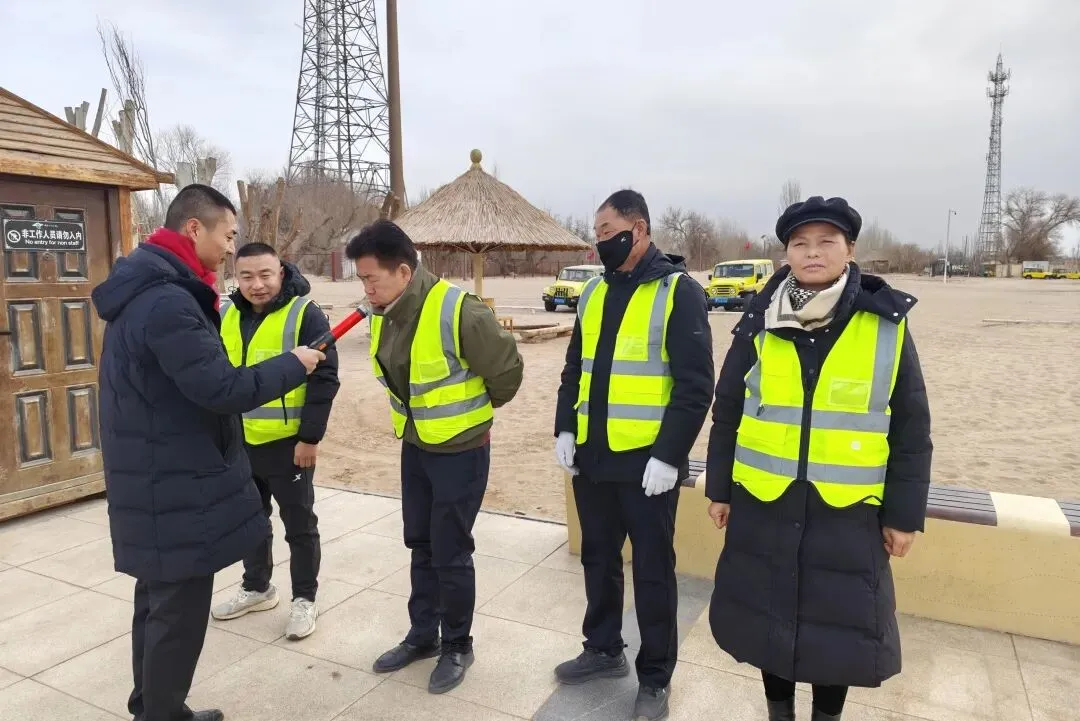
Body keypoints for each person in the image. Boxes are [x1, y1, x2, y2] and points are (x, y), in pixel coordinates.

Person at [92, 184, 325, 721]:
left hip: (156, 472)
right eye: (228, 235)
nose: (230, 248)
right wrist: (294, 364)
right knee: (177, 614)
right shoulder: (168, 302)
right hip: (171, 480)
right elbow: (221, 388)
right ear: (195, 229)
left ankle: (154, 708)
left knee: (157, 604)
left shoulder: (149, 292)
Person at [705, 196, 933, 721]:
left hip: (846, 513)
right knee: (769, 623)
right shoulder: (759, 320)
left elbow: (912, 427)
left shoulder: (885, 323)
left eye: (826, 242)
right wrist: (720, 489)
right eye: (800, 243)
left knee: (838, 633)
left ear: (849, 250)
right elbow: (728, 408)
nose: (812, 253)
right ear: (786, 254)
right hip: (763, 502)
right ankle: (779, 714)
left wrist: (902, 516)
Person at [552, 189, 714, 721]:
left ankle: (656, 676)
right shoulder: (594, 291)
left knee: (653, 571)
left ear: (638, 229)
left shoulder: (677, 292)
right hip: (594, 458)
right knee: (598, 559)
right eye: (596, 233)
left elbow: (695, 387)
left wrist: (669, 456)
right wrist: (565, 427)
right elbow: (575, 368)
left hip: (647, 467)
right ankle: (603, 649)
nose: (600, 241)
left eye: (607, 232)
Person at [346, 219, 524, 694]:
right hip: (416, 445)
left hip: (460, 450)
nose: (366, 289)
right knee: (421, 543)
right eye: (361, 280)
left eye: (371, 279)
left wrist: (471, 414)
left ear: (404, 272)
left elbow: (507, 372)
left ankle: (458, 645)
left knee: (450, 551)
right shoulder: (385, 311)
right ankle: (423, 635)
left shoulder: (458, 310)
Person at [210, 242, 340, 640]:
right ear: (235, 277)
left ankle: (305, 598)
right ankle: (257, 587)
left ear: (281, 272)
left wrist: (309, 438)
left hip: (289, 445)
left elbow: (325, 378)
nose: (257, 285)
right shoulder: (225, 314)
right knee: (250, 520)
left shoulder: (304, 313)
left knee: (299, 524)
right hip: (240, 443)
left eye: (265, 275)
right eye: (246, 276)